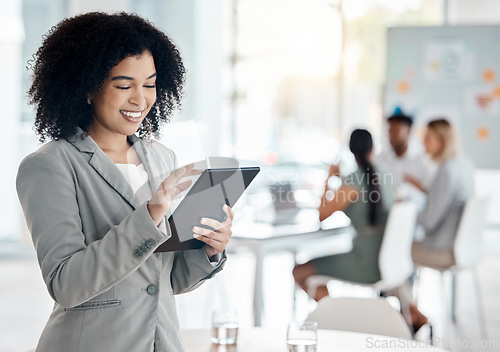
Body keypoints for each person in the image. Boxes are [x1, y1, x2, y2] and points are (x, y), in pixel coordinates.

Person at [16, 12, 233, 352]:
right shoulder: (49, 166)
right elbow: (66, 283)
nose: (140, 99)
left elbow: (165, 279)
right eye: (123, 85)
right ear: (87, 86)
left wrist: (208, 249)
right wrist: (151, 213)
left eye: (149, 84)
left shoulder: (161, 157)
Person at [293, 129, 394, 302]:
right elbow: (360, 191)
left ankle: (333, 317)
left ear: (351, 150)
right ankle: (333, 314)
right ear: (373, 148)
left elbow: (322, 214)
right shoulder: (386, 174)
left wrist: (329, 178)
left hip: (366, 263)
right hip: (388, 260)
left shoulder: (353, 181)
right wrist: (342, 180)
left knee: (299, 271)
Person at [408, 118, 474, 268]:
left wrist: (404, 210)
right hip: (465, 247)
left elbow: (429, 221)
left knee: (392, 250)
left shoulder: (446, 171)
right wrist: (426, 190)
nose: (423, 142)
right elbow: (450, 199)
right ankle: (401, 292)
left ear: (442, 141)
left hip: (443, 249)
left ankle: (401, 293)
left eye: (427, 137)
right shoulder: (464, 164)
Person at [376, 108, 435, 208]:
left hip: (414, 215)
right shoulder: (379, 159)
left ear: (408, 132)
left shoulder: (422, 161)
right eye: (390, 132)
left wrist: (417, 186)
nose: (391, 136)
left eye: (396, 131)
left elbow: (432, 192)